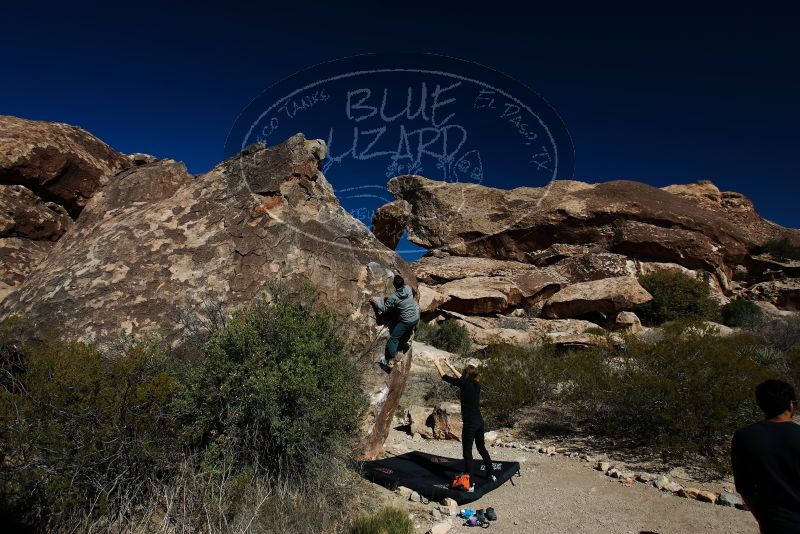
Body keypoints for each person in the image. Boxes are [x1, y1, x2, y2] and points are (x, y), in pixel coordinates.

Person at [732, 379, 800, 533]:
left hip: (774, 523)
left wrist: (764, 520)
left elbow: (744, 488)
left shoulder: (745, 437)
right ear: (791, 404)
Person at [433, 357, 495, 492]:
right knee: (481, 448)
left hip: (470, 424)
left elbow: (444, 377)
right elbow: (461, 377)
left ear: (466, 374)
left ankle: (470, 484)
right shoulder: (476, 385)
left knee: (467, 453)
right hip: (479, 421)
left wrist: (437, 364)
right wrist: (449, 365)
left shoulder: (464, 384)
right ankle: (491, 475)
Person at [370, 275, 419, 371]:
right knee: (410, 322)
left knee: (393, 338)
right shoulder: (408, 289)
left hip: (406, 321)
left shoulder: (394, 297)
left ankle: (391, 360)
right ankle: (409, 336)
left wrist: (375, 302)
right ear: (403, 283)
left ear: (394, 285)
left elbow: (384, 309)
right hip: (415, 318)